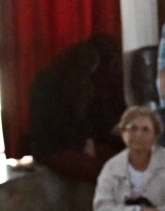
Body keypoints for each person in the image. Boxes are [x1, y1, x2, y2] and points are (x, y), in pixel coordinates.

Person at [25, 33, 126, 184]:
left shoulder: (79, 83)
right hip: (54, 149)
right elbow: (55, 127)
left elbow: (88, 119)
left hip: (74, 143)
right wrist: (82, 143)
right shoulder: (51, 85)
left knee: (123, 161)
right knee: (105, 172)